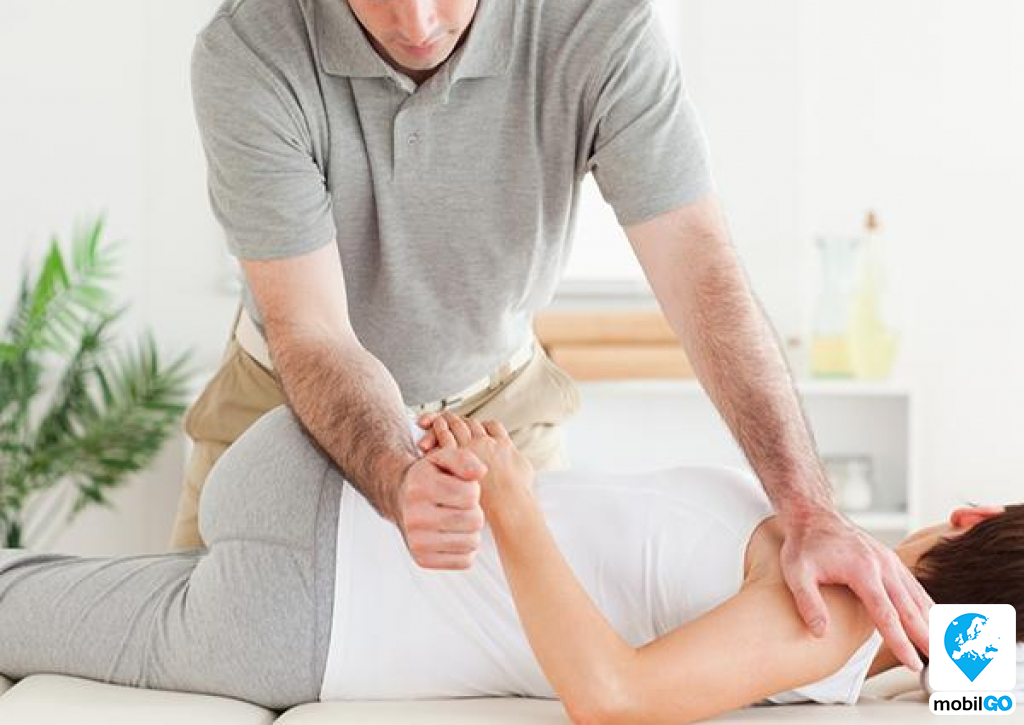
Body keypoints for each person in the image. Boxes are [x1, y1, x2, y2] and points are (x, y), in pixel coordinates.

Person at [174, 0, 931, 670]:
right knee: (201, 670)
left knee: (523, 674)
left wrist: (809, 509)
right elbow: (312, 330)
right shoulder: (251, 49)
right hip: (287, 405)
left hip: (498, 415)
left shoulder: (599, 22)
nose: (419, 23)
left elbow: (702, 278)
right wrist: (397, 475)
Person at [1, 408, 1020, 719]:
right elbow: (986, 689)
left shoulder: (841, 611)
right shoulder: (840, 581)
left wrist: (512, 501)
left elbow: (613, 698)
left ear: (969, 515)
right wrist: (965, 656)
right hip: (320, 571)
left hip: (315, 551)